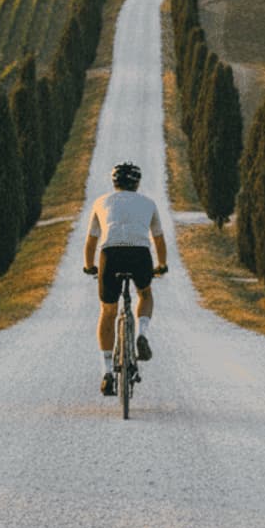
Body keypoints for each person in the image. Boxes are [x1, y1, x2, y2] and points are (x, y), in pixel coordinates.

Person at [81, 161, 168, 396]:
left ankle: (107, 372)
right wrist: (161, 265)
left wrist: (89, 266)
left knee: (108, 312)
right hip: (139, 254)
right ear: (137, 183)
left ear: (114, 182)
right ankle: (141, 334)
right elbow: (158, 239)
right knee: (145, 293)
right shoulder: (148, 203)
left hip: (110, 255)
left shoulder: (101, 202)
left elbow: (91, 241)